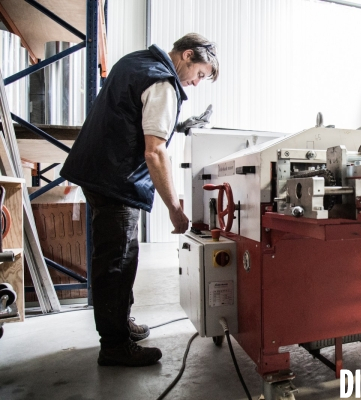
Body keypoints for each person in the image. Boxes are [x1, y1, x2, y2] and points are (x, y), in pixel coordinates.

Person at [60, 33, 219, 367]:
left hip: (98, 171)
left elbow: (129, 117)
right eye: (200, 74)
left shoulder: (136, 62)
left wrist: (182, 124)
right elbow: (155, 152)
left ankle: (121, 323)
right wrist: (175, 209)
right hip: (117, 179)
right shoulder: (164, 82)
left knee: (118, 255)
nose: (196, 83)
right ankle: (115, 346)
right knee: (117, 261)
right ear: (187, 55)